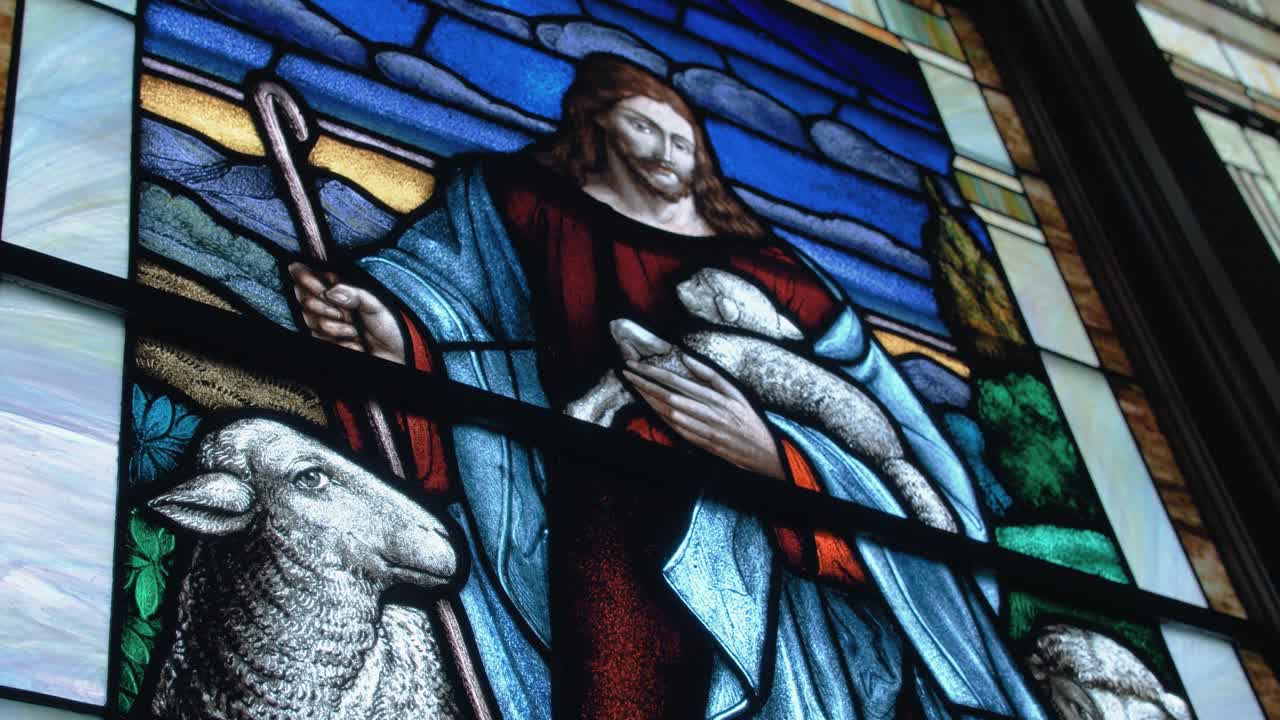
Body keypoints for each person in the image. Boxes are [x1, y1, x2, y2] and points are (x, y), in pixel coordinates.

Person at [290, 54, 1046, 720]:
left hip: (792, 592)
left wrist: (774, 460)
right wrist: (394, 340)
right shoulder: (520, 209)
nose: (667, 151)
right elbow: (456, 325)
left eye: (683, 139)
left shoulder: (784, 280)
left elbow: (895, 451)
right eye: (644, 128)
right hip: (568, 524)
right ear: (594, 128)